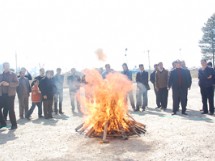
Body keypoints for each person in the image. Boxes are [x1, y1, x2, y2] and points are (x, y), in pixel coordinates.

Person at [0, 62, 18, 130]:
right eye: (5, 66)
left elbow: (17, 83)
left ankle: (14, 125)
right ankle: (3, 123)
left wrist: (8, 84)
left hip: (10, 95)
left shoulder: (13, 74)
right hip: (2, 95)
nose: (6, 67)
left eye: (8, 66)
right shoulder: (1, 75)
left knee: (11, 110)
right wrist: (1, 83)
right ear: (3, 67)